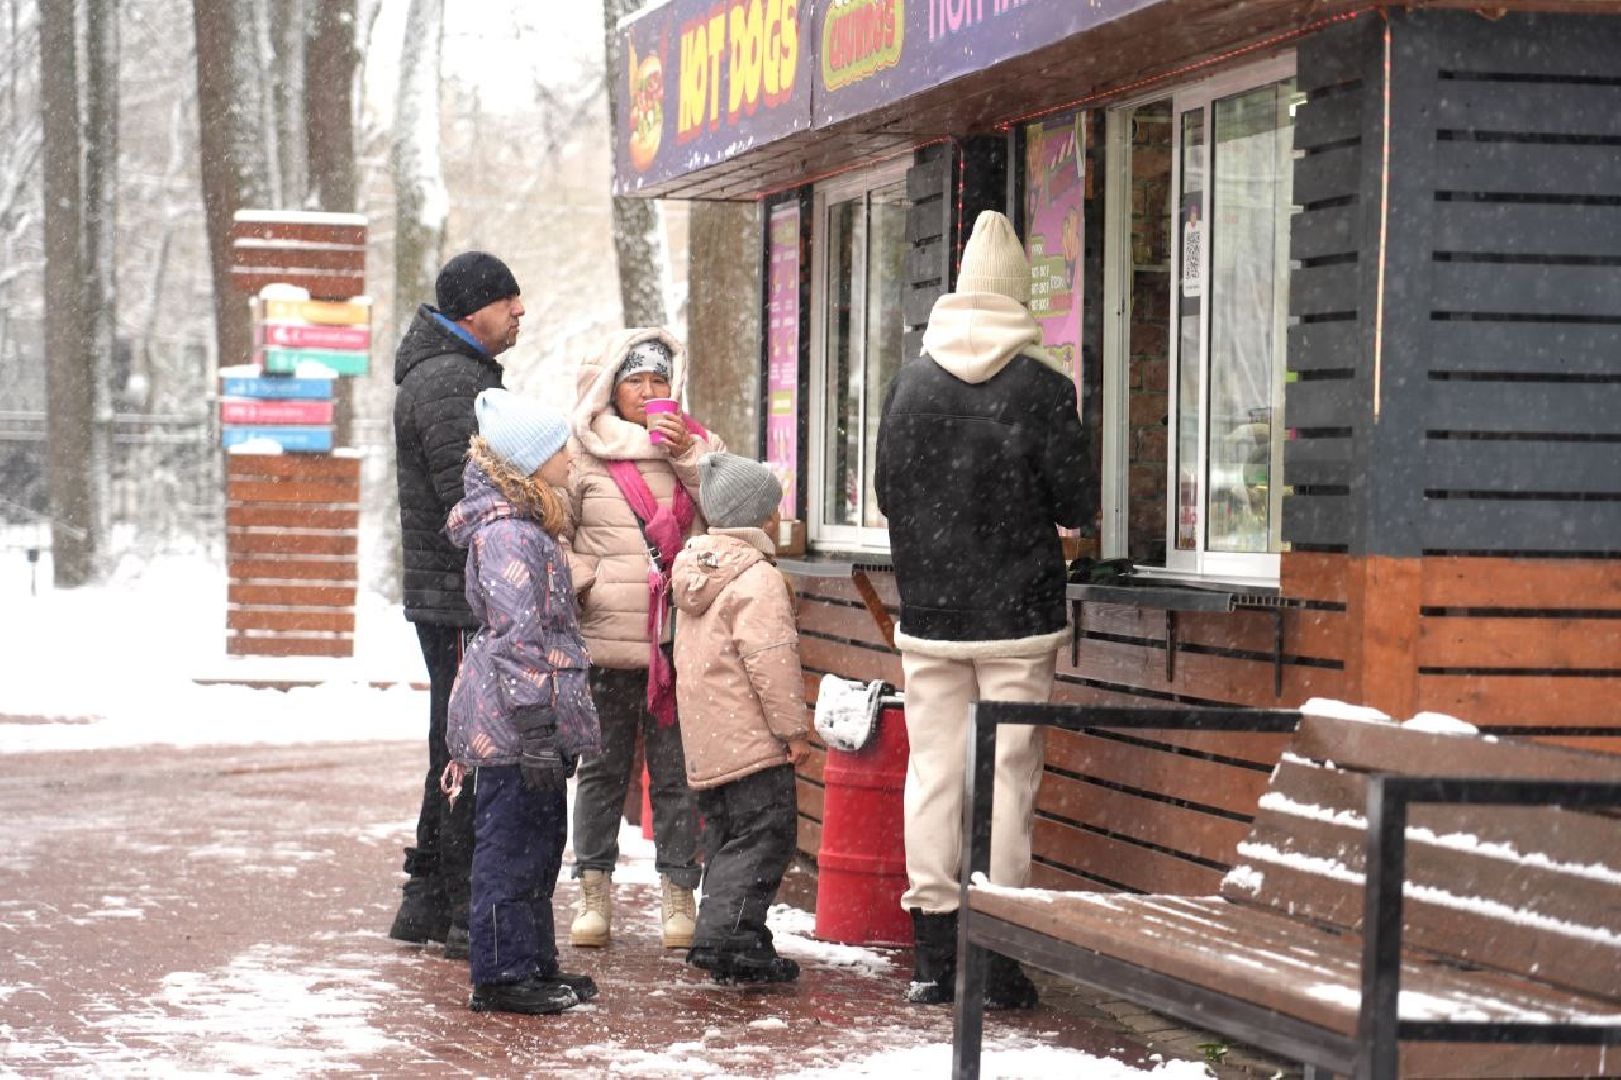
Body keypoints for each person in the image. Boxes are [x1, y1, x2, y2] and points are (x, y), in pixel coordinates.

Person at [874, 210, 1091, 1009]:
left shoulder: (908, 381)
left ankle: (931, 951)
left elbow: (887, 496)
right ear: (1016, 301)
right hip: (1018, 617)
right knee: (1008, 778)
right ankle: (997, 953)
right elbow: (1075, 503)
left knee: (932, 773)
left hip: (929, 615)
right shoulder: (1041, 388)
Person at [561, 329, 722, 949]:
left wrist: (688, 457)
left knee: (677, 774)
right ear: (613, 390)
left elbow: (733, 512)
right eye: (637, 381)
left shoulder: (701, 445)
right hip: (605, 643)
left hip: (678, 642)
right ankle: (593, 895)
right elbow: (555, 532)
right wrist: (587, 585)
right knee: (600, 772)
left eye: (660, 380)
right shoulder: (580, 454)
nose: (650, 392)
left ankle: (679, 899)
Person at [444, 388, 602, 1015]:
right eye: (559, 447)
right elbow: (517, 638)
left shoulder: (526, 527)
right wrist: (537, 725)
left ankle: (533, 961)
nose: (570, 457)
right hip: (514, 723)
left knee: (539, 844)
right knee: (511, 847)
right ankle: (503, 973)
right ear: (530, 461)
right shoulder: (509, 534)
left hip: (529, 720)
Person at [389, 251, 525, 959]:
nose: (520, 314)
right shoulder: (450, 381)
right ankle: (455, 906)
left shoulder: (448, 373)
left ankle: (428, 901)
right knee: (466, 748)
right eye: (509, 303)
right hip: (461, 596)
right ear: (473, 310)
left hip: (451, 594)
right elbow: (464, 497)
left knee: (454, 741)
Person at [670, 453, 810, 984]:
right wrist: (792, 731)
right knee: (765, 837)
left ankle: (743, 936)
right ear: (760, 519)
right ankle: (726, 935)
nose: (777, 519)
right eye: (772, 510)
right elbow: (771, 660)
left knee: (731, 838)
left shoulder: (694, 572)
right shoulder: (757, 579)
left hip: (709, 739)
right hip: (752, 740)